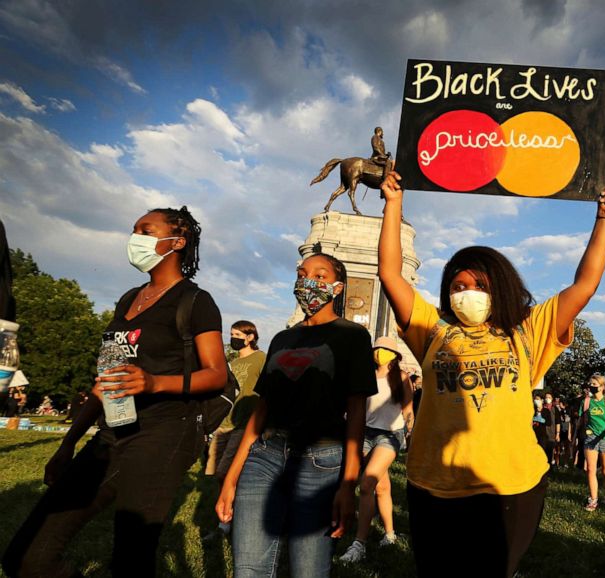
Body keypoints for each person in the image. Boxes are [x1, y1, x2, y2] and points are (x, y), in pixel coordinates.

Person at [377, 169, 605, 577]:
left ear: (499, 288)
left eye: (478, 284)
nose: (466, 293)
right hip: (433, 483)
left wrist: (604, 219)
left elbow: (584, 284)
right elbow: (389, 274)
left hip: (511, 485)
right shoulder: (431, 330)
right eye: (457, 286)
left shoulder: (527, 331)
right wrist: (393, 204)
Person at [3, 206, 228, 578]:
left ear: (178, 240)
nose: (135, 237)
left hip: (164, 433)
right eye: (133, 230)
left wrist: (155, 383)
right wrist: (68, 443)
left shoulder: (195, 301)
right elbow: (106, 378)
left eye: (146, 229)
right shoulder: (128, 300)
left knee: (130, 559)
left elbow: (216, 374)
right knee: (26, 557)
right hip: (111, 434)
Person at [216, 253, 377, 577]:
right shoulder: (282, 338)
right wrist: (232, 477)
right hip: (264, 455)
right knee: (248, 569)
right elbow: (262, 410)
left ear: (337, 287)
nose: (309, 281)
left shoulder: (352, 336)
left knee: (309, 569)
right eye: (303, 273)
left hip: (321, 460)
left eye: (320, 275)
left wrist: (348, 485)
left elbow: (357, 413)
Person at [339, 336, 415, 564]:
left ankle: (359, 543)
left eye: (386, 349)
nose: (380, 352)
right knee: (382, 487)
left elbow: (408, 410)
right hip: (365, 433)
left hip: (389, 436)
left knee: (366, 484)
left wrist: (411, 437)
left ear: (395, 355)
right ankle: (390, 534)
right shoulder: (366, 376)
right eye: (377, 348)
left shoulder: (401, 378)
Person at [206, 320, 266, 484]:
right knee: (215, 472)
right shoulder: (231, 364)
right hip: (223, 422)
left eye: (238, 335)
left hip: (243, 423)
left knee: (226, 472)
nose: (234, 338)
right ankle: (223, 506)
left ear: (250, 337)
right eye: (232, 335)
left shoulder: (260, 358)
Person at [579, 373, 605, 512]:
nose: (591, 387)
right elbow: (581, 421)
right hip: (590, 438)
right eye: (590, 384)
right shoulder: (586, 402)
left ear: (602, 387)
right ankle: (593, 499)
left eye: (594, 385)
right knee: (590, 469)